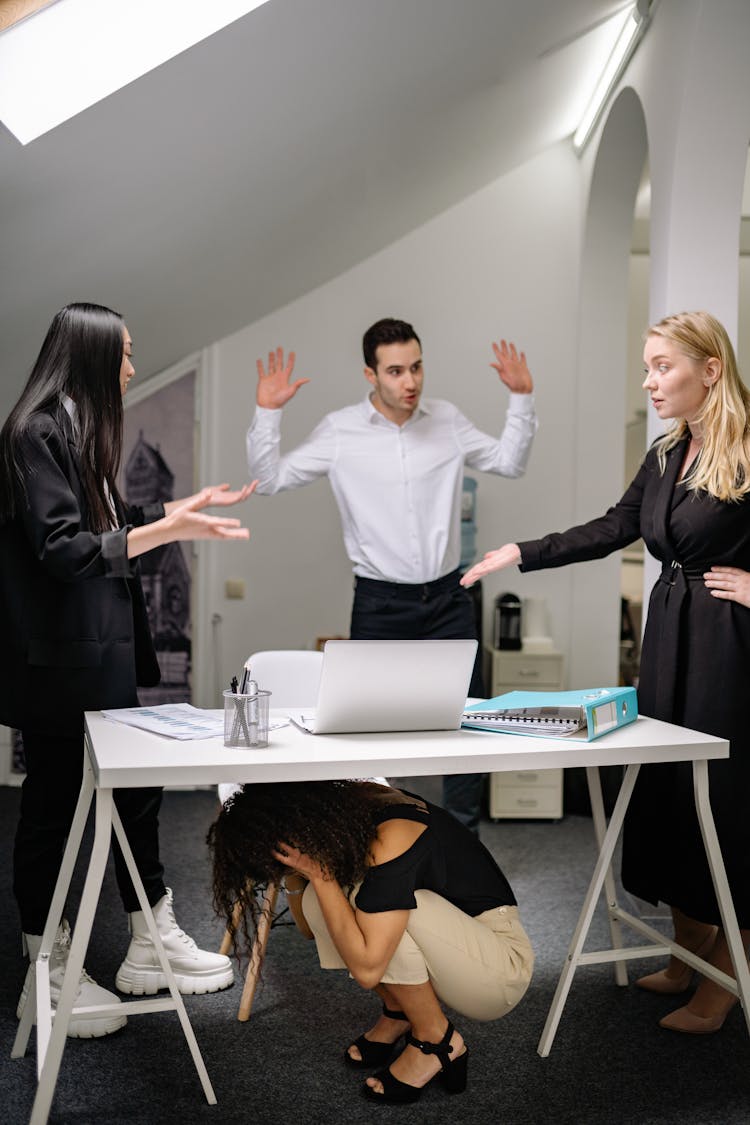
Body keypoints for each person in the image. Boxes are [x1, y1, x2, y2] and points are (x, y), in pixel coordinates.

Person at [461, 310, 750, 1035]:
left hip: (729, 646)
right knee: (666, 796)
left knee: (726, 803)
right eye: (647, 367)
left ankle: (730, 980)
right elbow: (613, 527)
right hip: (670, 639)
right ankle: (691, 950)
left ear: (710, 369)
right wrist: (522, 552)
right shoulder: (665, 454)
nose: (650, 381)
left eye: (662, 367)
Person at [0, 302, 255, 1038]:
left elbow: (112, 515)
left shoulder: (77, 429)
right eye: (125, 354)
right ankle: (46, 971)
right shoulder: (34, 431)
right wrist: (165, 530)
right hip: (58, 664)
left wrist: (178, 507)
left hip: (101, 654)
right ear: (89, 355)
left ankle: (151, 937)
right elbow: (63, 548)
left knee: (136, 794)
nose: (133, 368)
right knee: (52, 808)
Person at [246, 317, 538, 833]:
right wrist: (268, 411)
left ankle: (462, 844)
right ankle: (372, 843)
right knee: (367, 734)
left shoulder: (446, 420)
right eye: (396, 370)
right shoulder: (340, 431)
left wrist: (521, 398)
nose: (411, 381)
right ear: (370, 374)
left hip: (450, 597)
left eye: (417, 367)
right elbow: (268, 480)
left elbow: (508, 462)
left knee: (465, 723)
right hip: (380, 604)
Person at [208, 779, 533, 1104]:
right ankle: (401, 1010)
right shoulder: (344, 818)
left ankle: (437, 1041)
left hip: (499, 969)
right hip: (454, 943)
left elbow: (367, 970)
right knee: (323, 902)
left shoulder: (392, 833)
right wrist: (296, 870)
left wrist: (320, 875)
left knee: (375, 906)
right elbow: (307, 926)